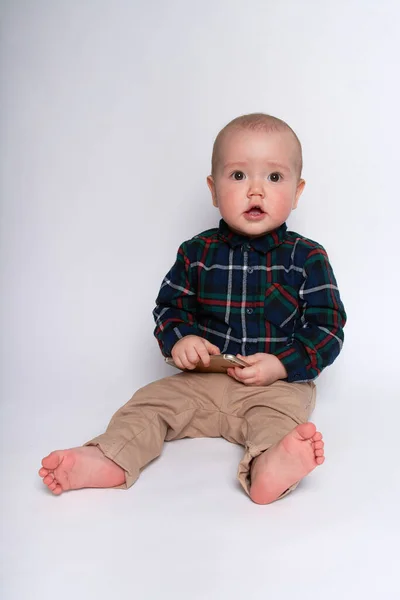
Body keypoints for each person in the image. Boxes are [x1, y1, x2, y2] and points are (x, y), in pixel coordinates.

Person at [38, 113, 346, 504]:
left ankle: (271, 467)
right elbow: (170, 308)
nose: (255, 191)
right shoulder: (196, 253)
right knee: (148, 403)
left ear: (298, 191)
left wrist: (282, 363)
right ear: (213, 189)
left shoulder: (307, 256)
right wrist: (181, 340)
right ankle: (108, 457)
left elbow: (328, 327)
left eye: (273, 177)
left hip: (275, 385)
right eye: (237, 176)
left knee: (278, 424)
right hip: (203, 381)